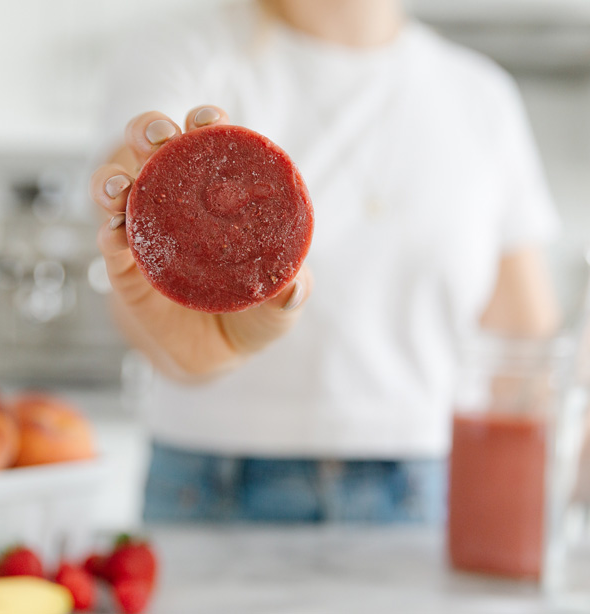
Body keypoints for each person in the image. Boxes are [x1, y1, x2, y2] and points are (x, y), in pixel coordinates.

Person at [89, 0, 561, 524]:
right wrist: (190, 344)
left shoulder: (480, 95)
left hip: (423, 486)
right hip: (213, 481)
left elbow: (522, 349)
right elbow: (132, 262)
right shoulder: (186, 52)